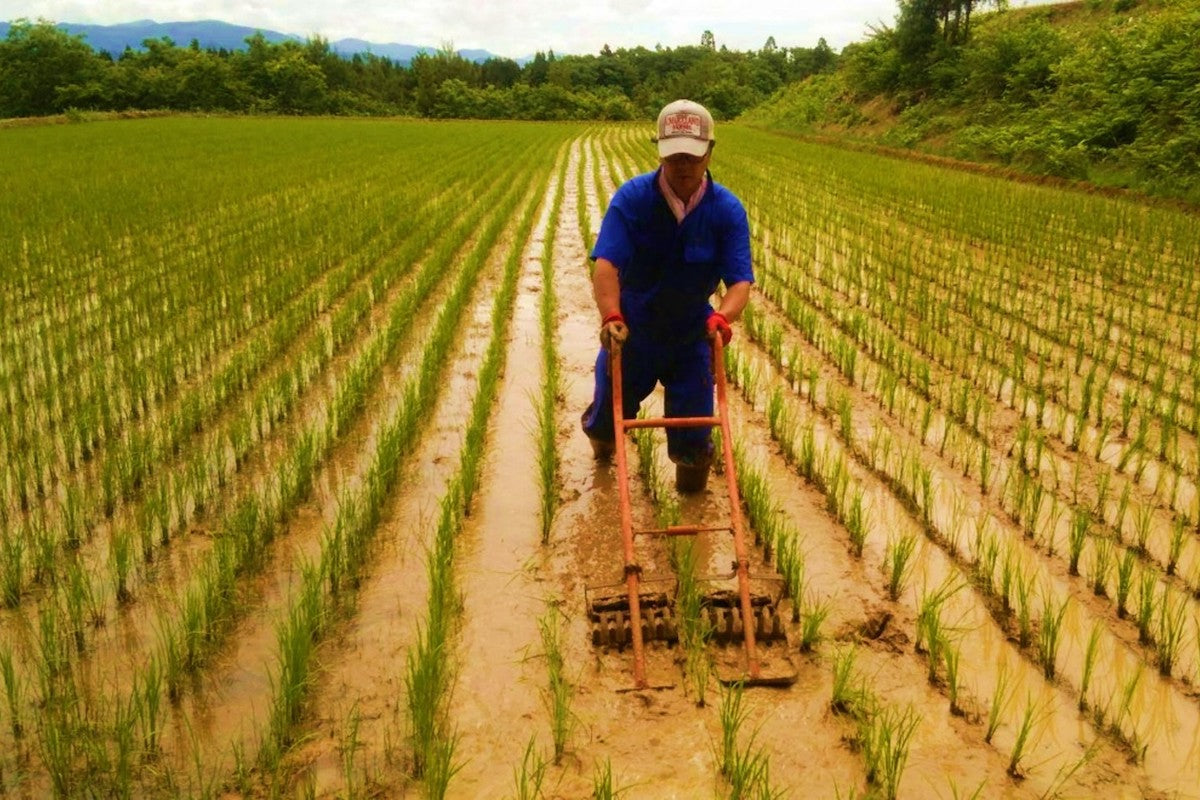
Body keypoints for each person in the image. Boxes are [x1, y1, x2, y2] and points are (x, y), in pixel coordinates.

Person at [580, 99, 754, 492]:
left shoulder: (726, 210)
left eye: (692, 156)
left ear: (710, 150)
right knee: (608, 415)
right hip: (633, 328)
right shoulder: (633, 199)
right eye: (674, 155)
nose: (683, 165)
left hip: (691, 332)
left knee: (695, 435)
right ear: (659, 149)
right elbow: (606, 265)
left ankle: (691, 498)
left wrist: (721, 318)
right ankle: (602, 457)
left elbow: (739, 282)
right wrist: (611, 317)